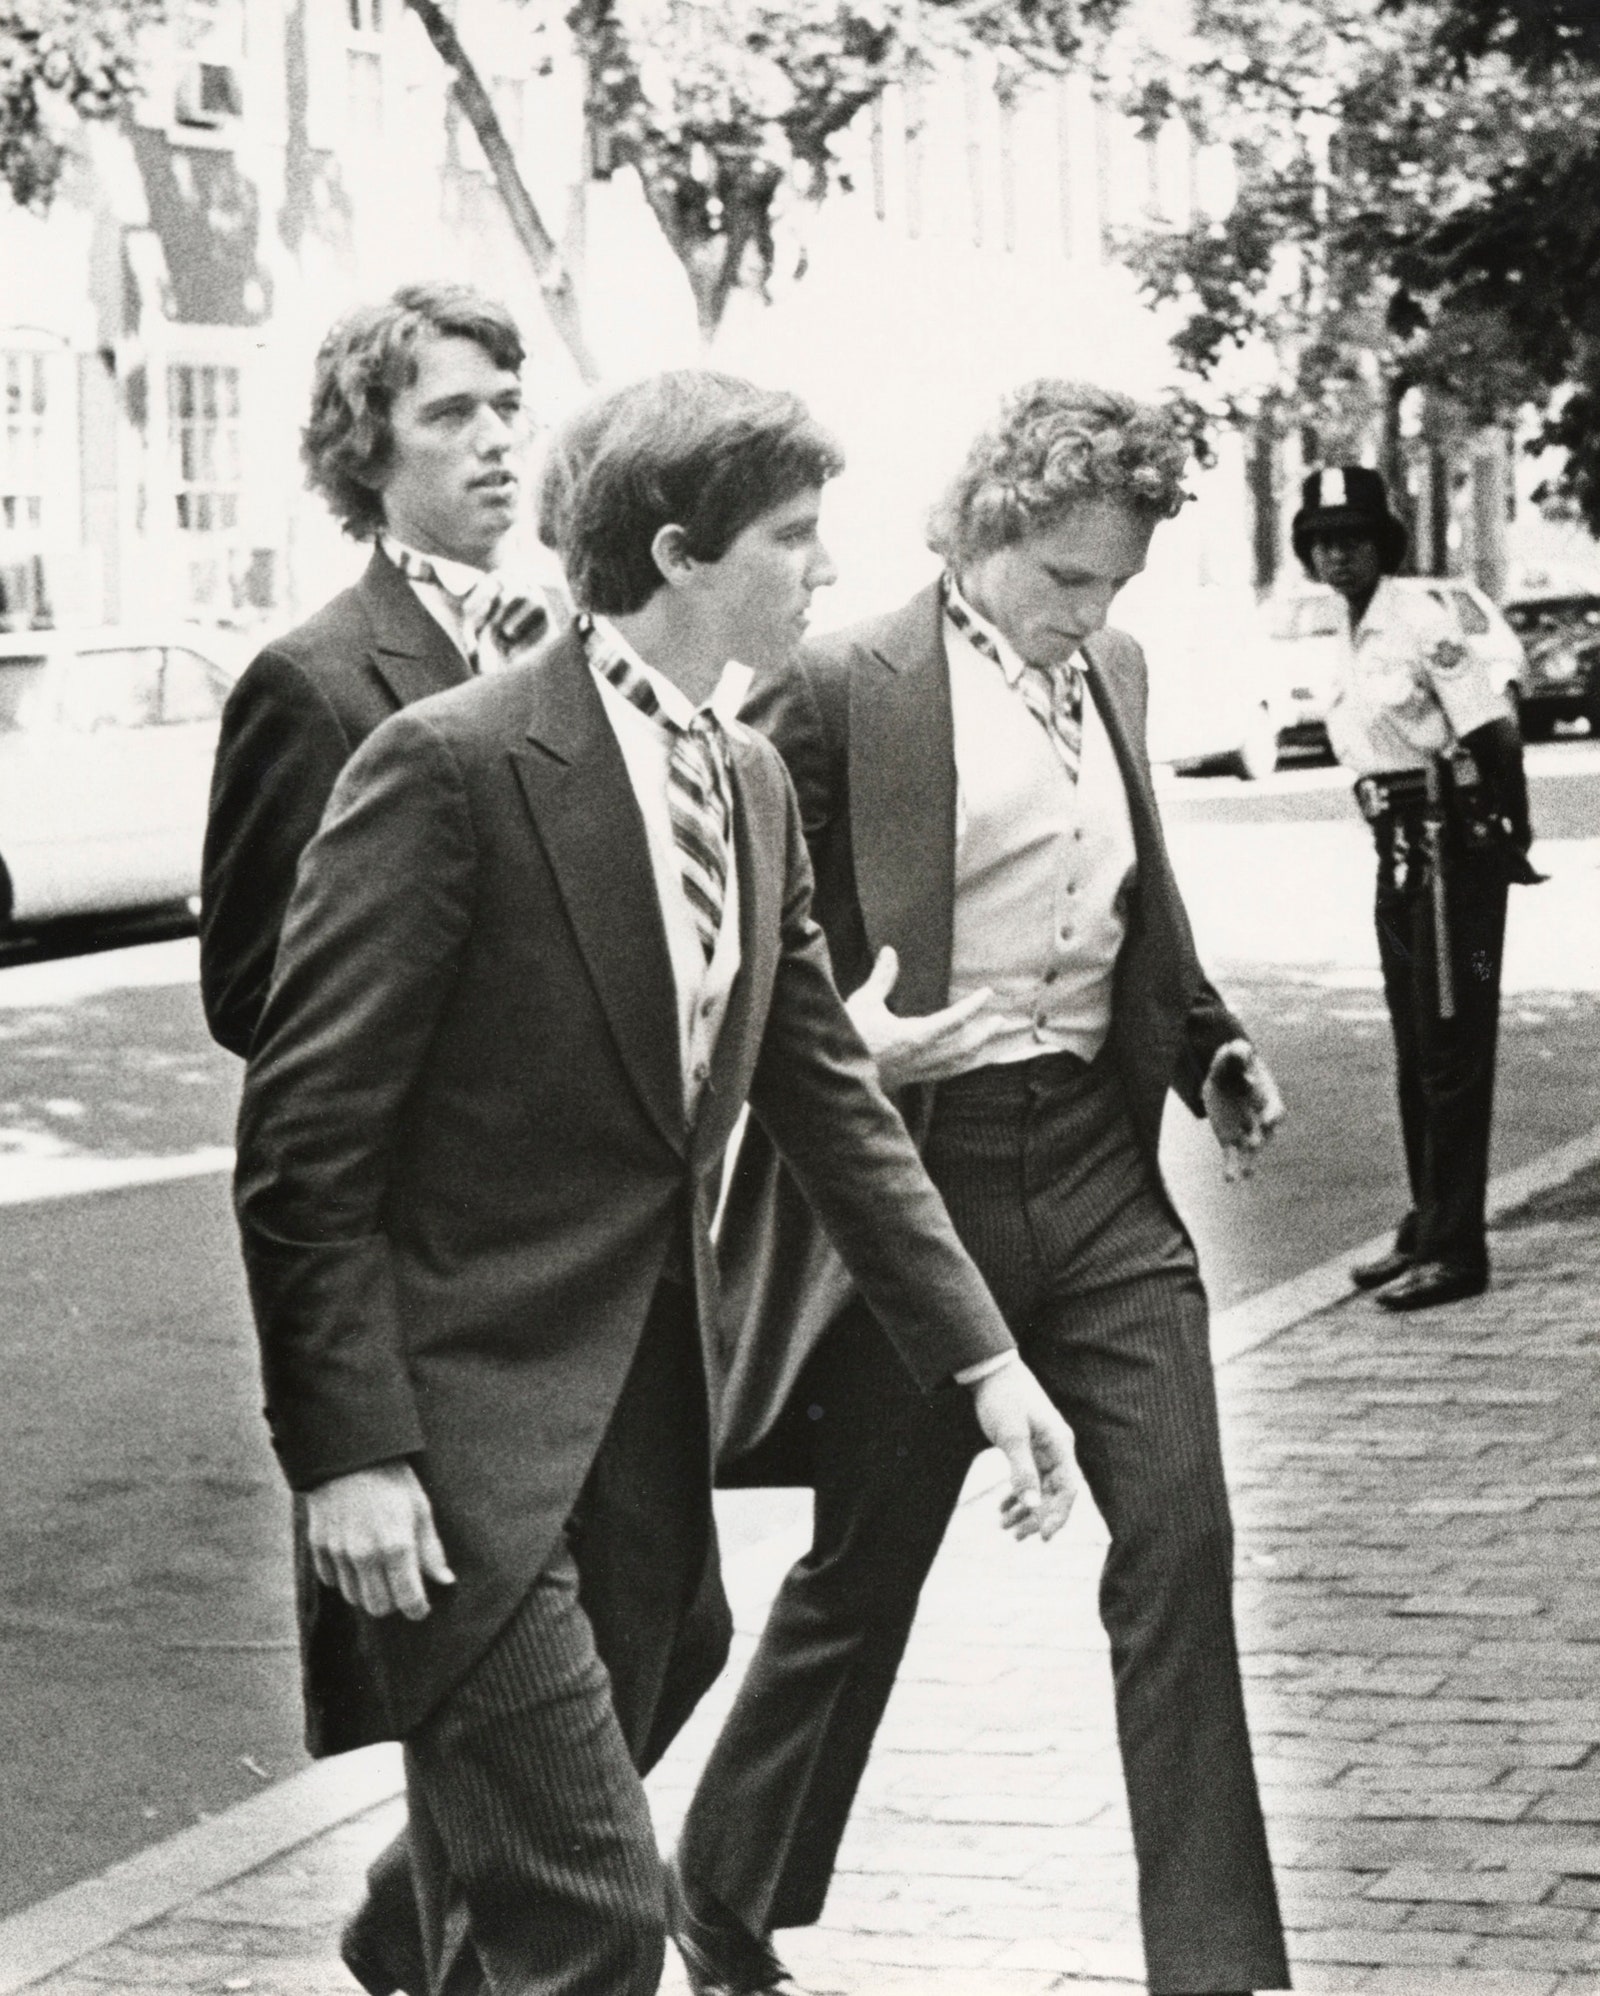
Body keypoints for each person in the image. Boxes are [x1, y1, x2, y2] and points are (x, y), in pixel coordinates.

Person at [231, 368, 1078, 1996]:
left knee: (526, 1876)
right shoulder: (454, 769)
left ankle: (417, 1933)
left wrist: (985, 1362)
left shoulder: (746, 783)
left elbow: (825, 1092)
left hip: (635, 1430)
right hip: (462, 1432)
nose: (825, 569)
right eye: (794, 535)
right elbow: (305, 1141)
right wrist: (350, 1453)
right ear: (684, 553)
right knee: (599, 1918)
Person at [671, 380, 1292, 1996]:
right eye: (1068, 579)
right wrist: (850, 1049)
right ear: (989, 532)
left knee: (1181, 1536)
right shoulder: (832, 685)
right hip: (915, 1189)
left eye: (1118, 585)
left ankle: (1220, 1972)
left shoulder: (1119, 673)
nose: (1094, 616)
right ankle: (720, 1894)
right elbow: (730, 945)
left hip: (1095, 1179)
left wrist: (1208, 1046)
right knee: (865, 1567)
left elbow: (1125, 890)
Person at [199, 282, 556, 1061]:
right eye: (452, 413)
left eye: (507, 405)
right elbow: (250, 988)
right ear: (366, 449)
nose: (495, 439)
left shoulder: (577, 635)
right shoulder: (310, 682)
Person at [1292, 466, 1539, 1310]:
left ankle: (1459, 1252)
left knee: (1452, 1050)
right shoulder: (1349, 630)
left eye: (1353, 539)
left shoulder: (1419, 618)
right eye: (1323, 541)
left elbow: (1494, 729)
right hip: (1396, 851)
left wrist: (1515, 834)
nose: (1337, 555)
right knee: (1415, 1050)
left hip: (1450, 849)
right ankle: (1428, 1222)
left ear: (1382, 544)